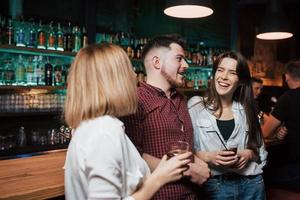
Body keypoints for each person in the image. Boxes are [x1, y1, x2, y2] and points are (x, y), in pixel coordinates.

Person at [64, 43, 193, 200]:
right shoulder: (103, 132)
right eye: (128, 69)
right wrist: (159, 178)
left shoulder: (99, 126)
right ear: (111, 80)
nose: (134, 75)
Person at [121, 34, 210, 199]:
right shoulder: (135, 99)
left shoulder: (180, 99)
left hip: (192, 195)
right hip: (160, 195)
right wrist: (188, 170)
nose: (186, 65)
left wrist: (199, 160)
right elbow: (132, 154)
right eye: (179, 59)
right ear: (157, 62)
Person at [188, 51, 268, 200]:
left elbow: (260, 152)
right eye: (220, 70)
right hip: (214, 186)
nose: (223, 77)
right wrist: (208, 156)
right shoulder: (196, 105)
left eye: (232, 73)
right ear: (214, 74)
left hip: (251, 184)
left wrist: (248, 153)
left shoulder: (247, 108)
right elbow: (184, 149)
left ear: (241, 80)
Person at [262, 59, 300, 191]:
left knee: (262, 174)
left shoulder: (288, 97)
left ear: (287, 77)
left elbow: (264, 133)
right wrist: (285, 127)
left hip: (298, 170)